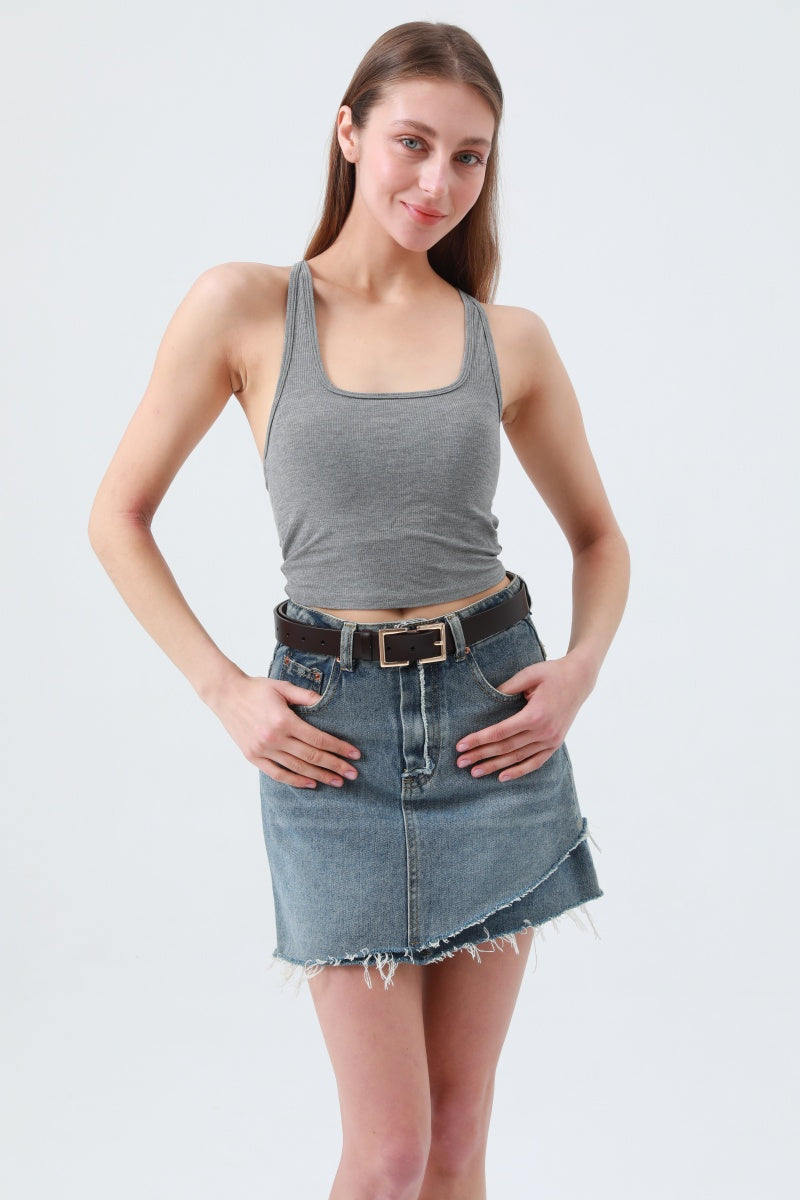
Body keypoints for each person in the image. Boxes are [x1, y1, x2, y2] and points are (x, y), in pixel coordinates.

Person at [88, 19, 630, 1200]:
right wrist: (224, 691)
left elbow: (598, 538)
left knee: (455, 1138)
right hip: (330, 745)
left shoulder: (508, 340)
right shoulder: (244, 306)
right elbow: (116, 516)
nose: (437, 182)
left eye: (469, 156)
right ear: (348, 133)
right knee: (386, 1156)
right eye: (411, 143)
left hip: (494, 727)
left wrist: (580, 668)